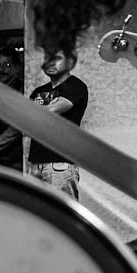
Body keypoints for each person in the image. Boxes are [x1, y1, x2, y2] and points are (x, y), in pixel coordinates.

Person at [27, 50, 89, 200]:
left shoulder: (76, 86)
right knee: (37, 217)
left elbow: (50, 111)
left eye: (57, 58)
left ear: (69, 62)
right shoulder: (38, 91)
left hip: (60, 163)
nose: (50, 62)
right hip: (35, 164)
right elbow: (26, 120)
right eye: (48, 58)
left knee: (62, 216)